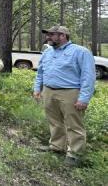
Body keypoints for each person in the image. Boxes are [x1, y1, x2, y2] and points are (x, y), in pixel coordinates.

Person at [33, 25, 95, 167]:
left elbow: (88, 76)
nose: (47, 37)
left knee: (74, 124)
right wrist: (37, 88)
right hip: (48, 91)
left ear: (62, 36)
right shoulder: (47, 52)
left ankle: (74, 153)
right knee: (54, 121)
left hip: (70, 92)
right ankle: (57, 146)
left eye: (51, 35)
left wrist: (84, 98)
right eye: (47, 34)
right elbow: (40, 72)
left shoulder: (81, 52)